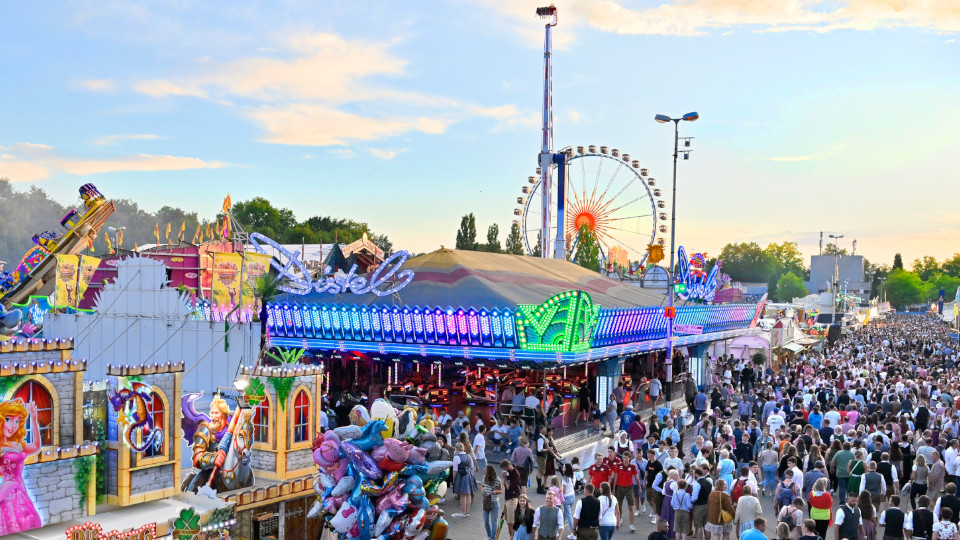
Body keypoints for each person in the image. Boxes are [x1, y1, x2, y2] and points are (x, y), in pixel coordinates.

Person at [186, 394, 254, 493]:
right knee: (195, 487)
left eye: (216, 413)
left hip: (232, 465)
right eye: (212, 413)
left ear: (223, 414)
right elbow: (196, 458)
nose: (213, 416)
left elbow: (245, 434)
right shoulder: (205, 429)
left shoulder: (232, 424)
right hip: (210, 469)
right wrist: (213, 459)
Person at [0, 399, 42, 535]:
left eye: (17, 421)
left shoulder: (18, 444)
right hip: (7, 493)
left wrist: (34, 419)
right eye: (8, 419)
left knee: (27, 525)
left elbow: (36, 446)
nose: (13, 425)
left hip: (21, 491)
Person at [612, 451, 639, 532]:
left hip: (629, 488)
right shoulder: (618, 465)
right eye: (623, 457)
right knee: (618, 505)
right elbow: (616, 476)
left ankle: (631, 525)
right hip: (619, 488)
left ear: (629, 458)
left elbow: (636, 477)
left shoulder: (633, 466)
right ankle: (619, 519)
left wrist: (639, 487)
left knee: (630, 507)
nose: (625, 459)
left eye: (626, 458)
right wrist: (614, 488)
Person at [452, 442, 478, 518]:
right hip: (469, 475)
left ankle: (463, 512)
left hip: (461, 476)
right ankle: (467, 512)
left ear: (456, 449)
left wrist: (454, 479)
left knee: (462, 494)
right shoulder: (469, 456)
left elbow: (455, 470)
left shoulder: (456, 457)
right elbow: (472, 467)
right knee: (468, 494)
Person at [483, 464, 504, 540]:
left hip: (494, 502)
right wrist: (483, 491)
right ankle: (489, 535)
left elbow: (501, 490)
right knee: (486, 521)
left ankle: (493, 538)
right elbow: (482, 486)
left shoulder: (497, 479)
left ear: (489, 471)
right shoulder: (484, 478)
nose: (484, 470)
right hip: (486, 502)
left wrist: (495, 491)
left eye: (485, 469)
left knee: (493, 522)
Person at [503, 459, 523, 536]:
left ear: (507, 466)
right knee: (509, 522)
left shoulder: (515, 474)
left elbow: (509, 489)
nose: (504, 471)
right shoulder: (510, 472)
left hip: (512, 500)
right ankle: (511, 537)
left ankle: (514, 537)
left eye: (504, 469)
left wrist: (505, 479)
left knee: (511, 522)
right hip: (508, 500)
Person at [562, 462, 578, 539]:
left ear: (566, 469)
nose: (562, 469)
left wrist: (560, 497)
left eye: (564, 467)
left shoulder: (565, 478)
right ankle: (560, 528)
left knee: (568, 515)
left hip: (567, 497)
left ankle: (573, 533)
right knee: (565, 513)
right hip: (572, 496)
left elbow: (564, 490)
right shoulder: (573, 476)